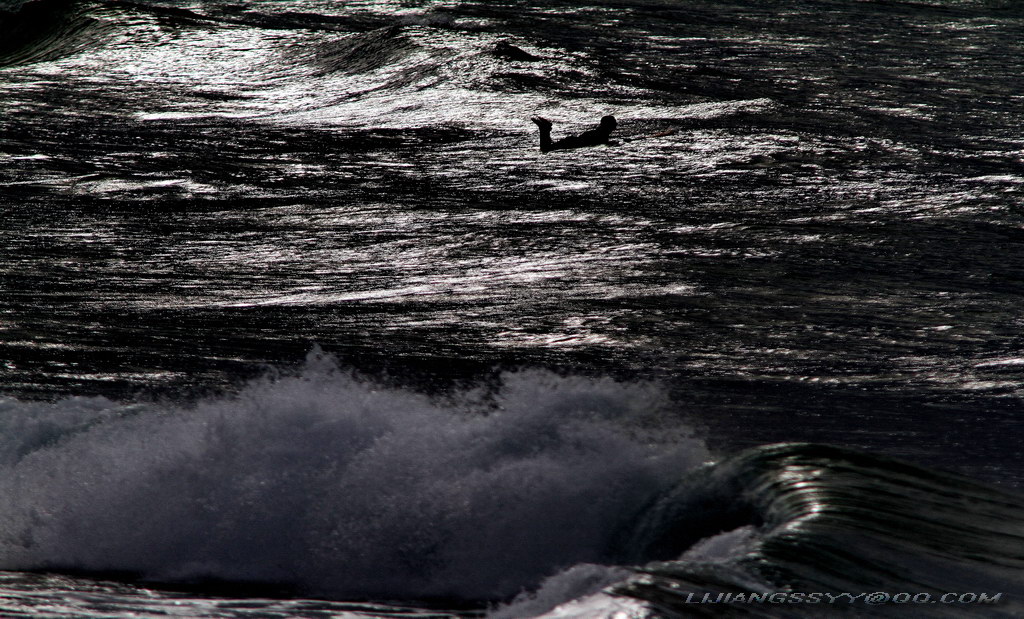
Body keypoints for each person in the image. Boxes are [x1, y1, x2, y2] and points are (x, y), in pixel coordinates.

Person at [530, 115, 617, 153]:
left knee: (547, 147)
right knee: (545, 148)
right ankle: (544, 128)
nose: (616, 126)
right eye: (614, 124)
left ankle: (545, 129)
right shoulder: (601, 136)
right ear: (609, 125)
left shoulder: (598, 133)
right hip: (572, 143)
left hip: (572, 141)